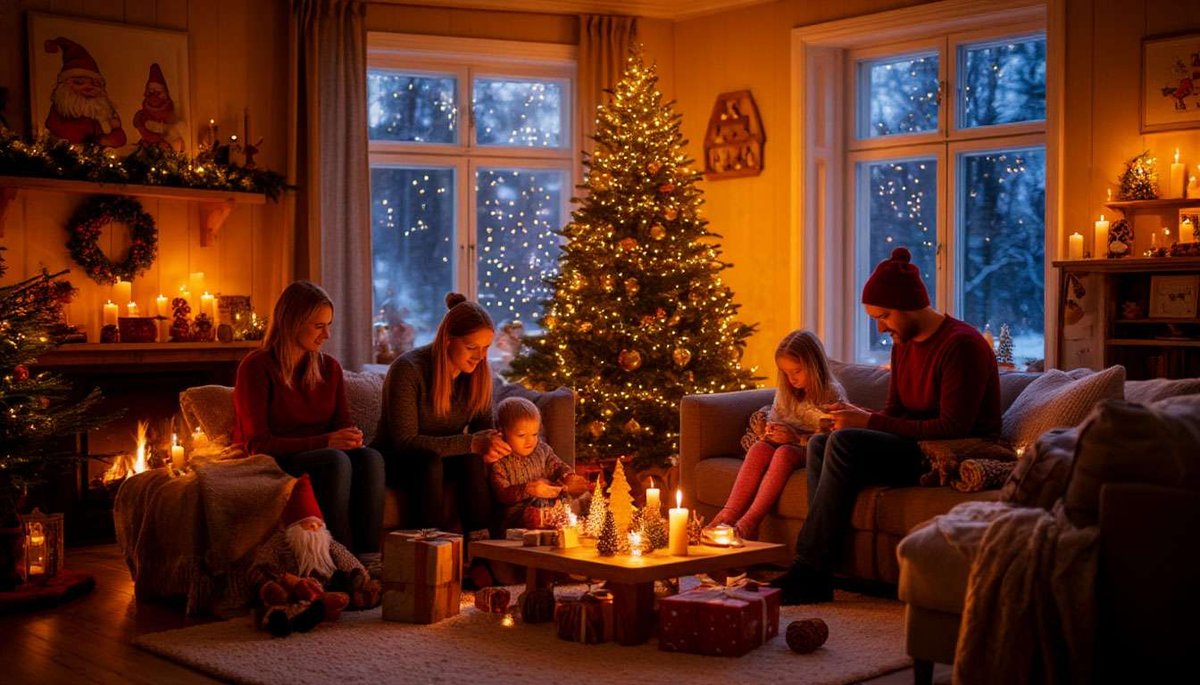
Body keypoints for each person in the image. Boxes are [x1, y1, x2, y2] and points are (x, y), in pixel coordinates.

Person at [773, 247, 1001, 604]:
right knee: (822, 442)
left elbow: (953, 426)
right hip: (914, 445)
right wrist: (853, 414)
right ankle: (818, 571)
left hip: (950, 451)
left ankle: (808, 569)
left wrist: (867, 422)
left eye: (883, 316)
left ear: (908, 306)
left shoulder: (962, 345)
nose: (880, 326)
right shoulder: (903, 343)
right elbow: (896, 411)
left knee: (845, 444)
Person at [233, 280, 384, 554]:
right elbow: (258, 444)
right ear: (292, 323)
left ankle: (370, 557)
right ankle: (340, 558)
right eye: (318, 326)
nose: (326, 334)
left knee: (370, 457)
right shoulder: (256, 367)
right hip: (277, 458)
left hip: (321, 452)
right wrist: (326, 442)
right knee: (334, 459)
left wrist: (350, 437)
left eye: (329, 324)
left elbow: (341, 422)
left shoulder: (329, 368)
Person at [375, 293, 510, 535]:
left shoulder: (477, 374)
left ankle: (481, 552)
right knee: (430, 461)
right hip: (398, 459)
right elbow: (405, 441)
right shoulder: (409, 369)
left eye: (485, 348)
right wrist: (472, 443)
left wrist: (493, 446)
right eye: (471, 347)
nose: (480, 357)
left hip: (444, 459)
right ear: (447, 340)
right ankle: (429, 549)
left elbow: (483, 431)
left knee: (471, 459)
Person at [708, 331, 844, 541]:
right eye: (786, 373)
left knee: (784, 453)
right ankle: (728, 515)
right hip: (788, 441)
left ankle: (750, 522)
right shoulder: (786, 390)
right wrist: (769, 431)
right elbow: (778, 416)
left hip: (810, 450)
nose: (792, 379)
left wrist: (795, 438)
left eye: (797, 371)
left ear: (814, 365)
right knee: (759, 449)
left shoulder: (831, 393)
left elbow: (833, 439)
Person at [250, 474, 381, 637]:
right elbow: (260, 566)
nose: (314, 527)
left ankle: (321, 606)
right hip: (289, 585)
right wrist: (268, 582)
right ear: (293, 527)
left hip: (323, 586)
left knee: (344, 592)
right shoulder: (279, 542)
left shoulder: (328, 543)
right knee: (279, 596)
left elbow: (347, 560)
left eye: (318, 524)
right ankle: (282, 618)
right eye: (307, 523)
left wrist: (359, 573)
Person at [489, 397, 589, 530]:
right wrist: (529, 489)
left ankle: (573, 521)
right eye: (522, 435)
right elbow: (502, 494)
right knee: (540, 507)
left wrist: (567, 476)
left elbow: (558, 466)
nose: (530, 441)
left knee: (583, 497)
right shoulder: (500, 461)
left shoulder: (542, 450)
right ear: (502, 432)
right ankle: (557, 521)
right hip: (519, 512)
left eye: (534, 434)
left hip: (551, 501)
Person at [41, 37, 126, 148]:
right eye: (79, 82)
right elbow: (61, 131)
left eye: (95, 84)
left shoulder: (106, 111)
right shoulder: (62, 110)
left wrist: (111, 137)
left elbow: (119, 138)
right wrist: (97, 140)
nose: (89, 88)